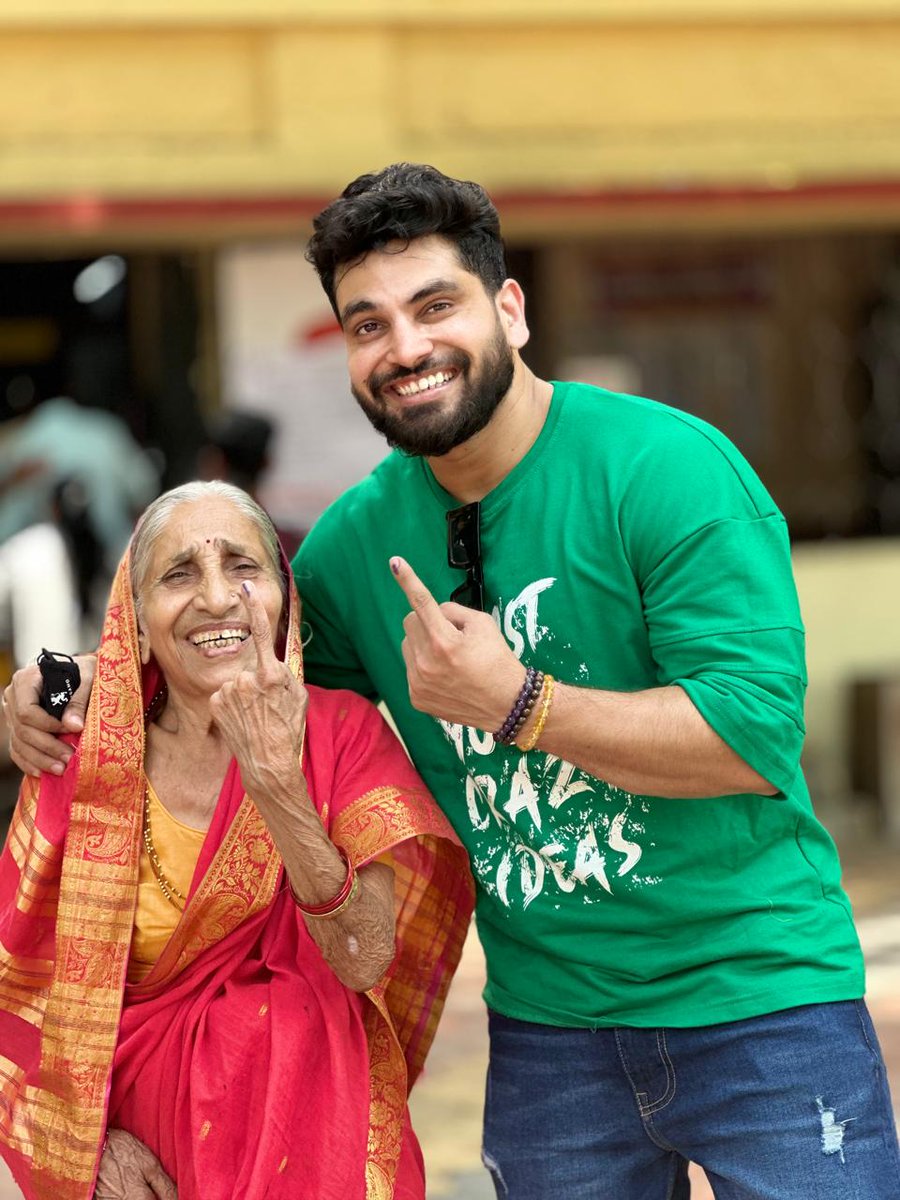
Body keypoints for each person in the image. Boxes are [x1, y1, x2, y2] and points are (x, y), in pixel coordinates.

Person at [6, 165, 900, 1198]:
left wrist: (521, 704)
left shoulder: (666, 470)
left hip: (762, 1006)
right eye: (368, 324)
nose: (405, 348)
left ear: (509, 310)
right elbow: (222, 673)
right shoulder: (352, 547)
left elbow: (754, 736)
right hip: (550, 1036)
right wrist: (52, 692)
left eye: (435, 306)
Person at [0, 479, 473, 1200]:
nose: (218, 598)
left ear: (284, 596)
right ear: (136, 614)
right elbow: (20, 987)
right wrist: (80, 1148)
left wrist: (278, 787)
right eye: (179, 573)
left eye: (244, 568)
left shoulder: (344, 734)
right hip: (138, 1170)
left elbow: (363, 958)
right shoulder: (80, 752)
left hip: (313, 1154)